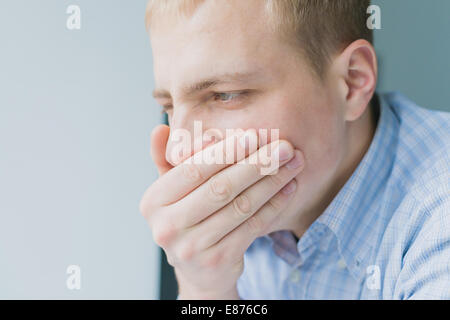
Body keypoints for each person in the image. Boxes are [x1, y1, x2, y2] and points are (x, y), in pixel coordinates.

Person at [139, 0, 450, 299]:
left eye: (225, 95)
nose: (180, 152)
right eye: (169, 106)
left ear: (352, 83)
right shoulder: (233, 230)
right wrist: (204, 289)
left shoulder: (439, 219)